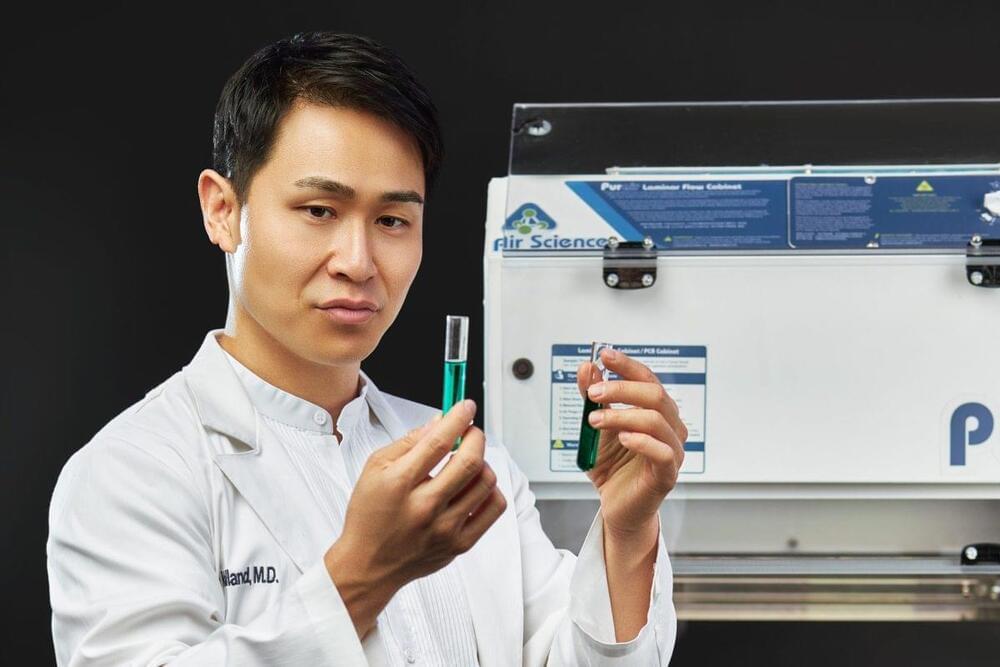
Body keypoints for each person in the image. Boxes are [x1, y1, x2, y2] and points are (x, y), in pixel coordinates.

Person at [47, 32, 688, 666]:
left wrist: (627, 530)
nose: (358, 263)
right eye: (319, 210)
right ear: (223, 210)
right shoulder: (133, 472)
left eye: (391, 221)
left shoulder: (474, 465)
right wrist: (361, 578)